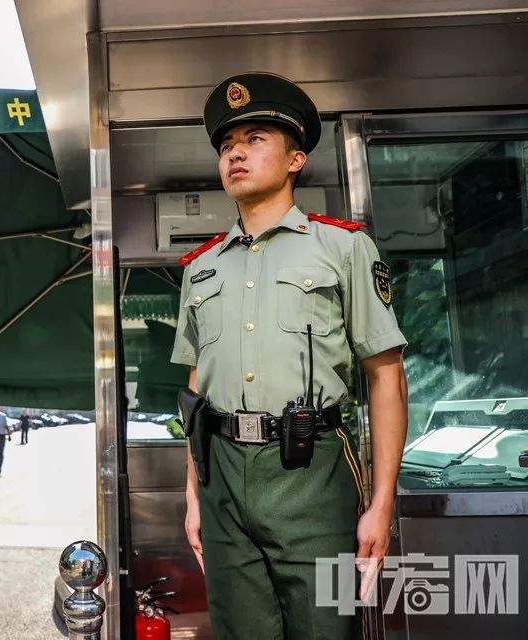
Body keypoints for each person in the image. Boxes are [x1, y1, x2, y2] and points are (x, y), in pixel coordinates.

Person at [171, 72, 408, 640]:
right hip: (222, 474)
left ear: (296, 158)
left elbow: (387, 377)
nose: (235, 154)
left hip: (312, 472)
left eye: (254, 139)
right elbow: (196, 388)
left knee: (325, 629)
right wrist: (193, 492)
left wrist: (381, 502)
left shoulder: (343, 247)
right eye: (227, 146)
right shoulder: (200, 268)